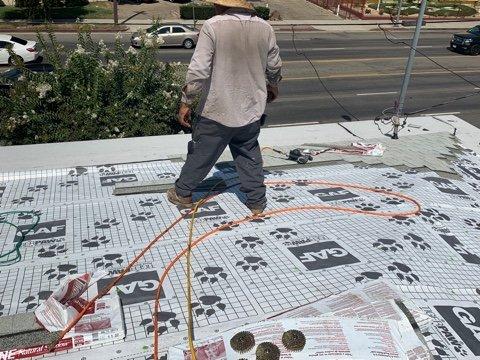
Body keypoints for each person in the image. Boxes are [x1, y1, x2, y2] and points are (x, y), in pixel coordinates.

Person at [166, 0, 282, 215]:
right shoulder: (265, 27)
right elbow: (274, 65)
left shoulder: (213, 25)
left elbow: (198, 70)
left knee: (202, 153)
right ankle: (257, 202)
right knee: (249, 154)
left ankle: (183, 193)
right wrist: (273, 85)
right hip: (250, 108)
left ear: (221, 5)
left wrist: (186, 101)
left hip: (216, 108)